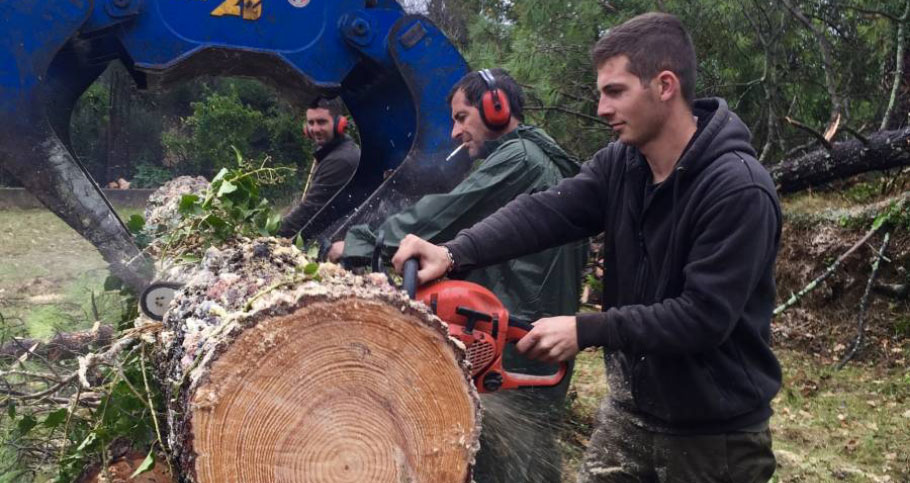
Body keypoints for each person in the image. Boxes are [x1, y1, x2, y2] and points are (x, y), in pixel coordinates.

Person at [392, 12, 782, 483]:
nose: (601, 108)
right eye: (600, 92)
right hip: (630, 413)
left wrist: (586, 328)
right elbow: (546, 212)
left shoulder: (737, 189)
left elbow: (703, 317)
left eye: (615, 92)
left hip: (713, 435)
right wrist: (454, 252)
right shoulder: (623, 164)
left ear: (664, 86)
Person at [331, 69, 587, 482]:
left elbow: (447, 211)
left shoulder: (521, 160)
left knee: (505, 458)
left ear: (496, 107)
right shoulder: (536, 158)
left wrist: (360, 244)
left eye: (462, 117)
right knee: (531, 452)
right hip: (530, 328)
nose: (454, 132)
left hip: (518, 332)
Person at [278, 97, 360, 238]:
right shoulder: (334, 153)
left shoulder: (340, 160)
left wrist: (273, 235)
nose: (315, 129)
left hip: (342, 241)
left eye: (321, 122)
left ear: (338, 124)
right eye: (311, 123)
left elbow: (310, 210)